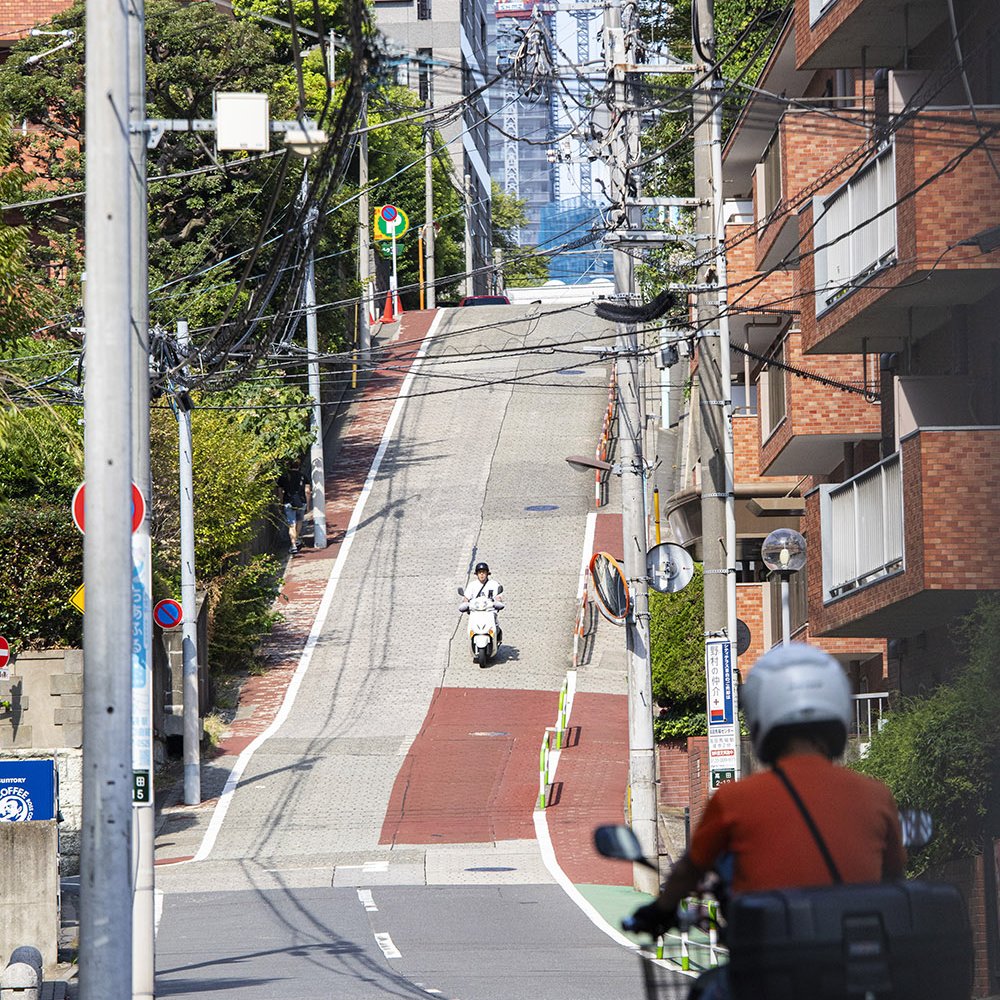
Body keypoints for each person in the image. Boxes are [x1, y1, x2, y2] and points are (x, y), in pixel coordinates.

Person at [629, 643, 906, 995]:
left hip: (765, 973)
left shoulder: (734, 800)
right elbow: (895, 878)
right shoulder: (876, 795)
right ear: (837, 716)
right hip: (852, 973)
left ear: (762, 723)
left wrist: (660, 910)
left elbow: (690, 870)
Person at [460, 561, 505, 644]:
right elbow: (466, 598)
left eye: (483, 572)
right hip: (475, 612)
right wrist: (465, 604)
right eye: (480, 572)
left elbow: (498, 597)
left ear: (487, 573)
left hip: (490, 611)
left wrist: (497, 602)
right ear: (477, 574)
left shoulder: (494, 584)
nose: (482, 574)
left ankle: (497, 639)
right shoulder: (472, 585)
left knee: (496, 625)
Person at [277, 459, 310, 554]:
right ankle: (297, 539)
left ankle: (293, 545)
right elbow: (307, 491)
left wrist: (281, 504)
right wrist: (308, 506)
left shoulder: (284, 477)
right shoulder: (303, 476)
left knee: (292, 524)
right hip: (301, 502)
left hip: (289, 502)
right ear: (299, 466)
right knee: (299, 521)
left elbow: (280, 492)